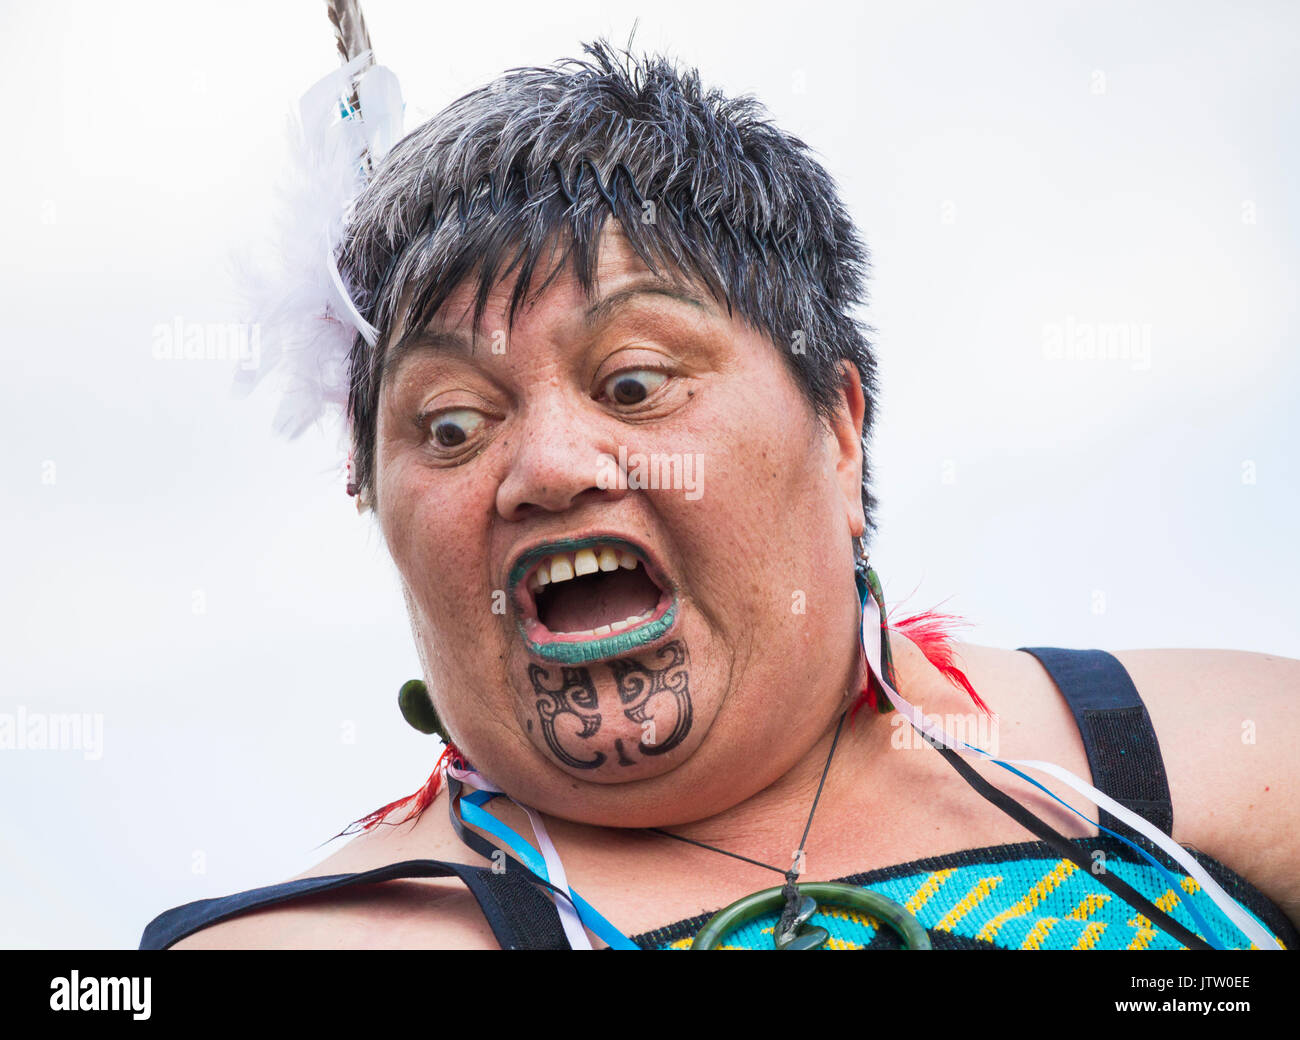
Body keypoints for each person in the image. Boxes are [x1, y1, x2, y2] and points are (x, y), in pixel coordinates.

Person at [141, 37, 1298, 951]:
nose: (546, 467)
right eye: (451, 424)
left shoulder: (1234, 764)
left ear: (840, 429)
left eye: (635, 382)